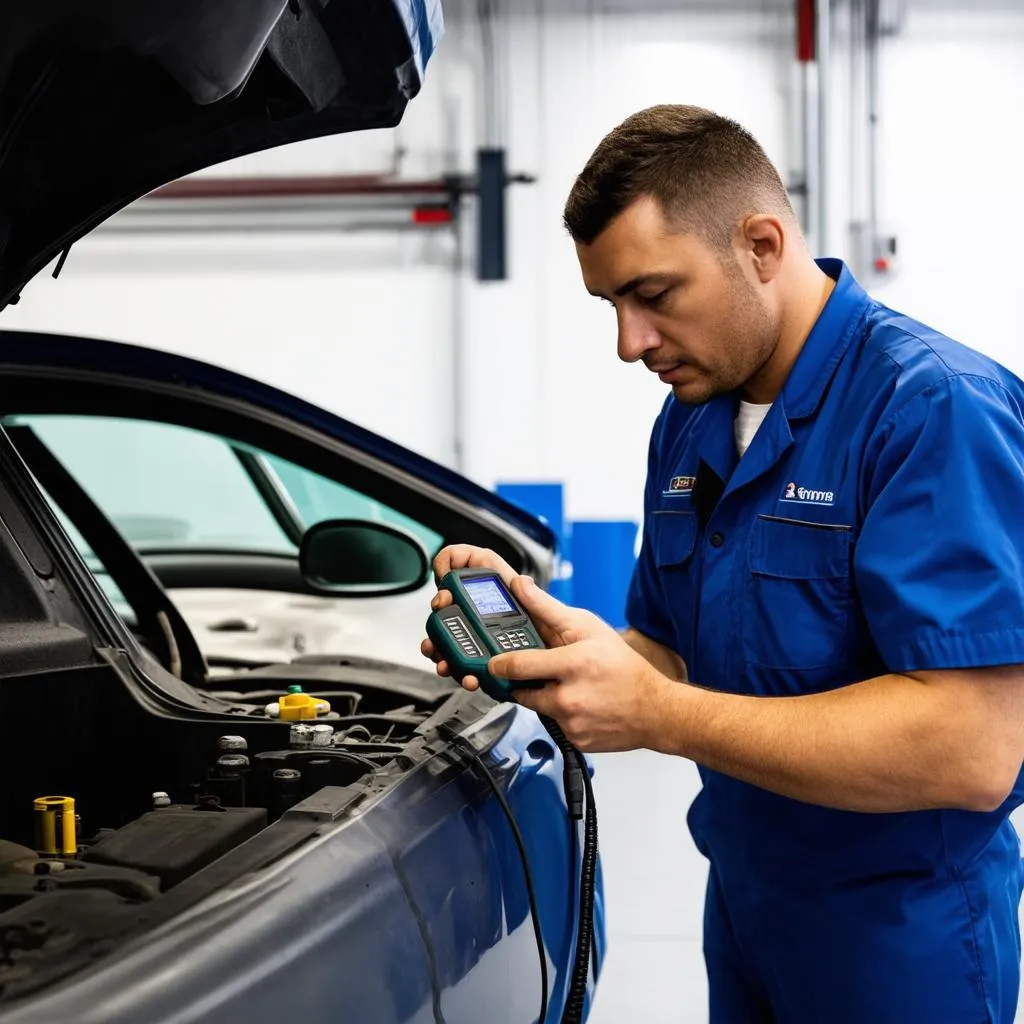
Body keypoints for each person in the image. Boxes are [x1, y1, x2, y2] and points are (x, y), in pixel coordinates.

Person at [421, 104, 1024, 1023]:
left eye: (654, 295)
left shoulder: (931, 408)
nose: (630, 342)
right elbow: (667, 651)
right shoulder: (695, 417)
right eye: (610, 305)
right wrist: (569, 652)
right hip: (744, 910)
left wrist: (660, 714)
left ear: (762, 244)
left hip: (898, 940)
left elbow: (975, 745)